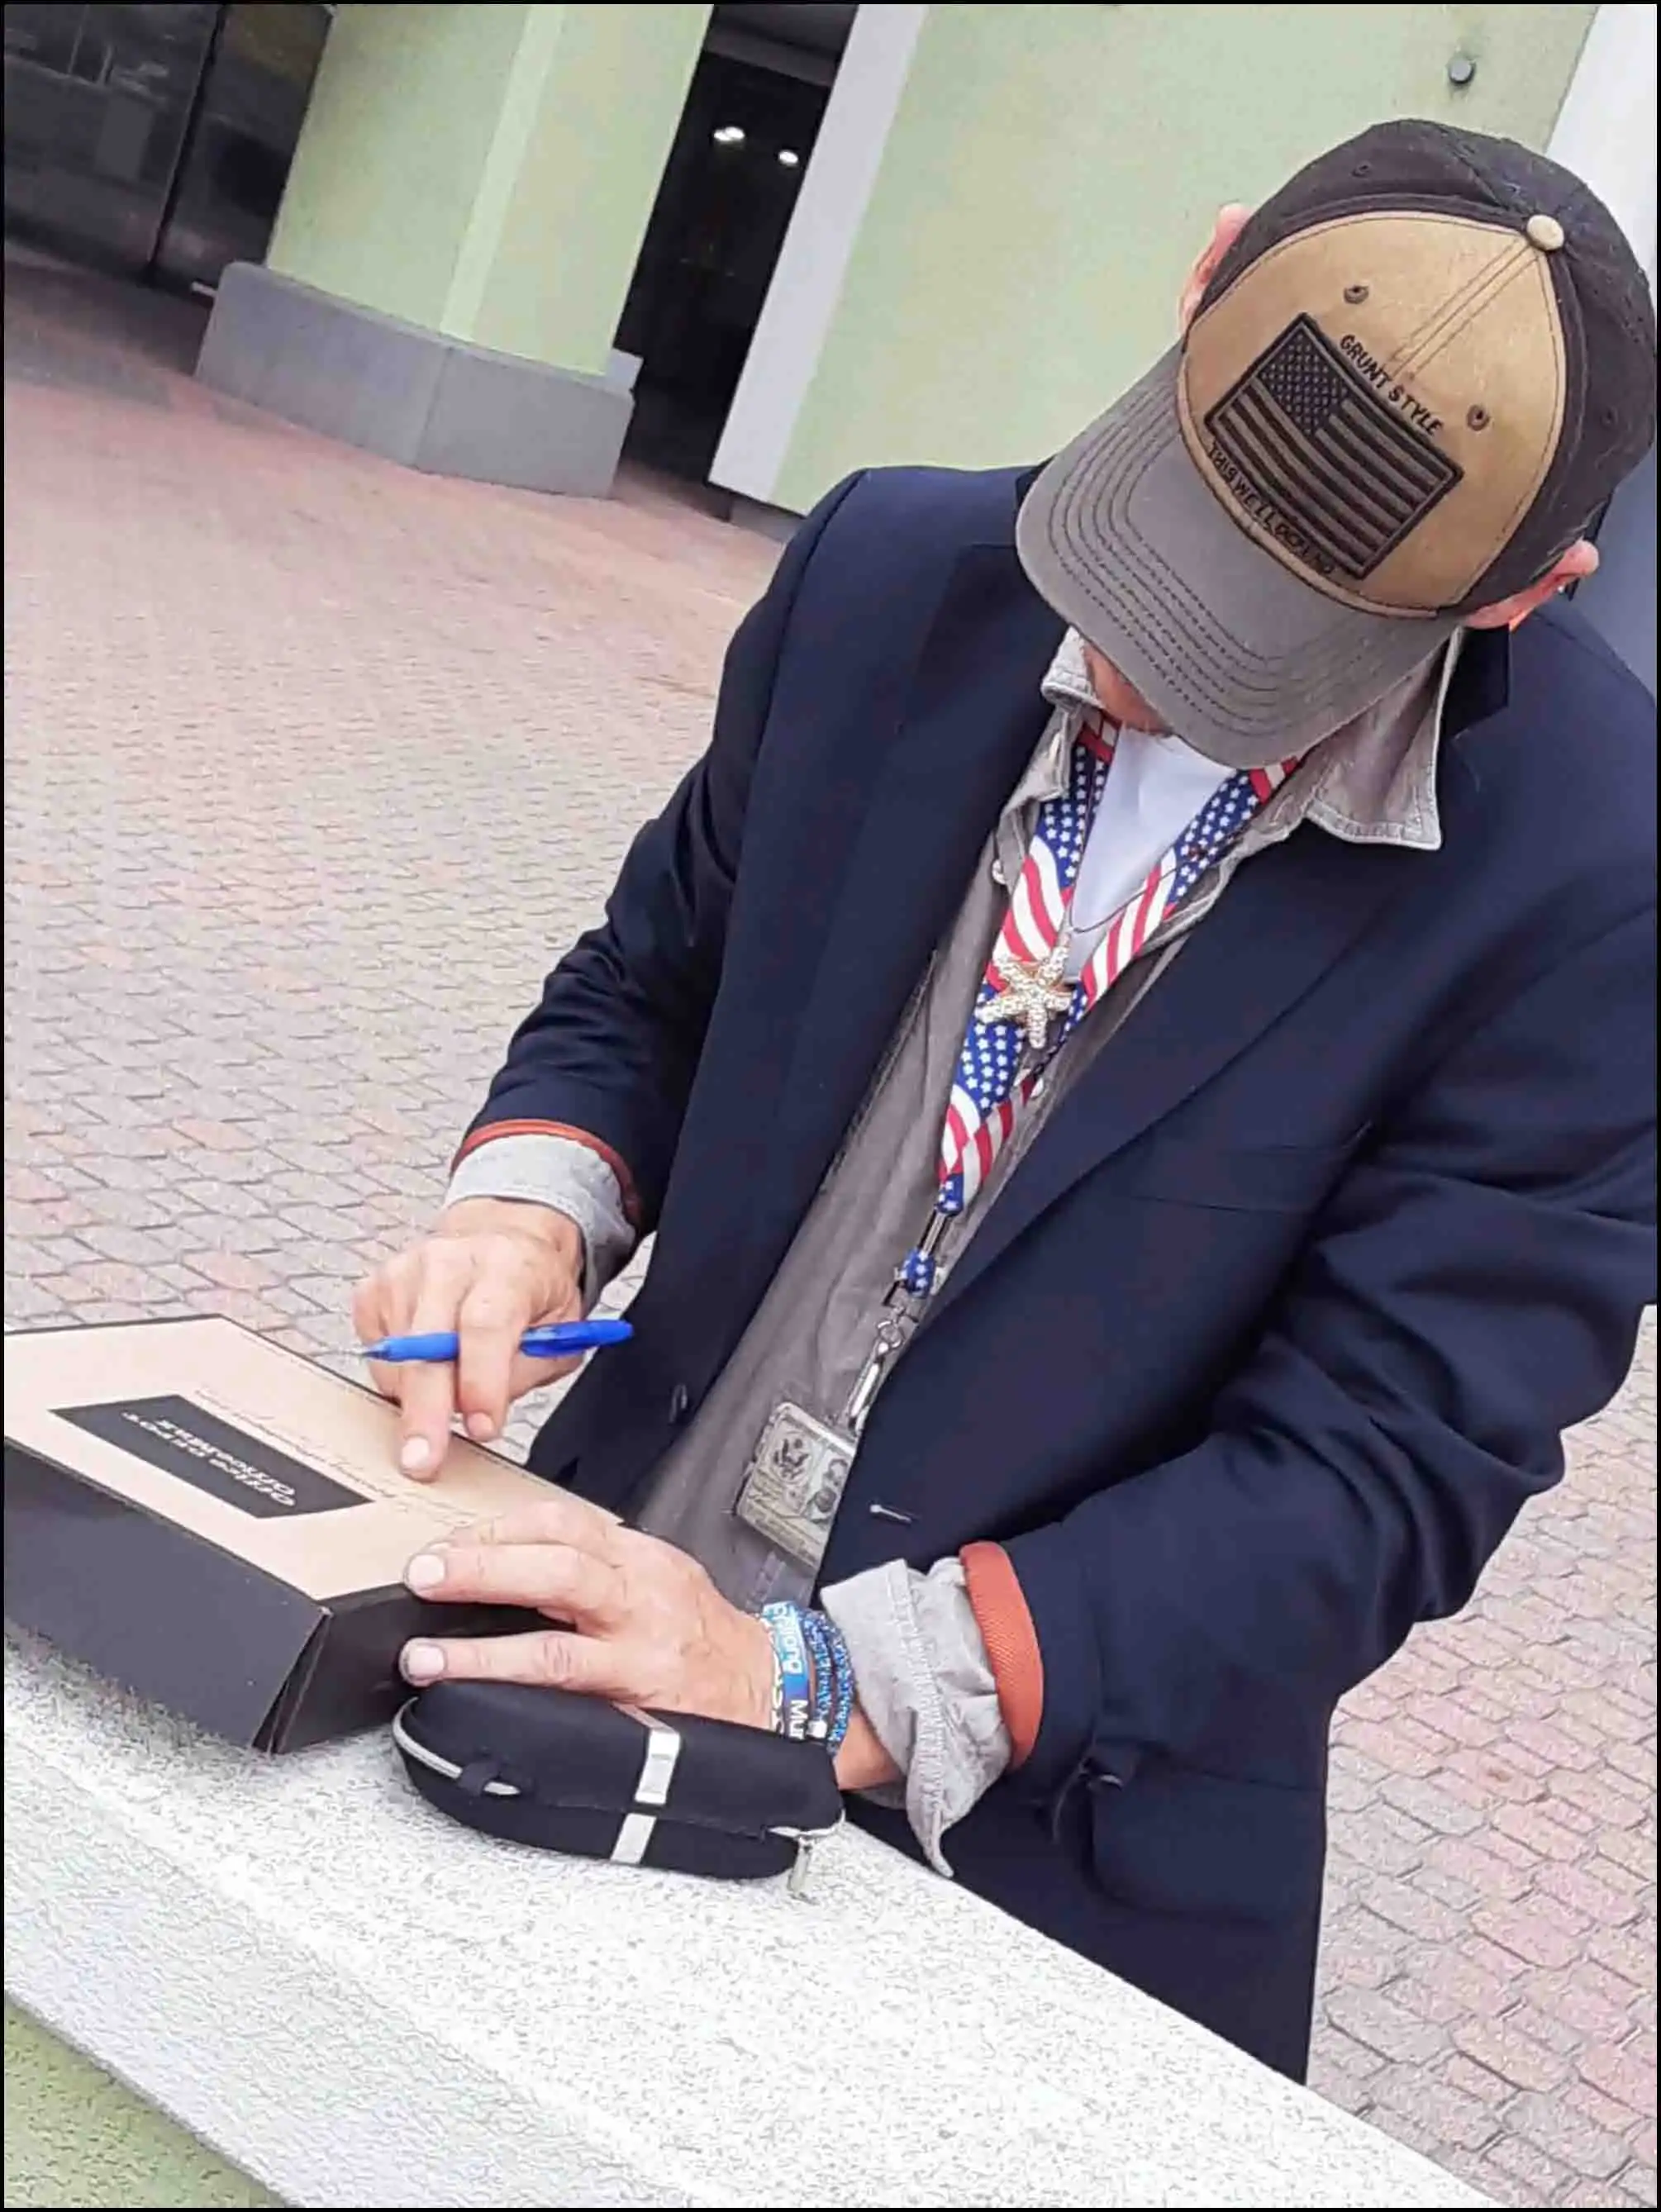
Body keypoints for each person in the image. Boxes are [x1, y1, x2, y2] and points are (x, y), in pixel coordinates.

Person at [354, 121, 1657, 2078]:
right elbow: (656, 978)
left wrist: (812, 1680)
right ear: (1208, 271)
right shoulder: (888, 570)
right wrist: (528, 1212)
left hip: (1037, 1857)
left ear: (1527, 593)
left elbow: (1374, 1478)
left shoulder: (1599, 881)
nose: (1144, 654)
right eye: (1164, 534)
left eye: (1266, 640)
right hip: (597, 1620)